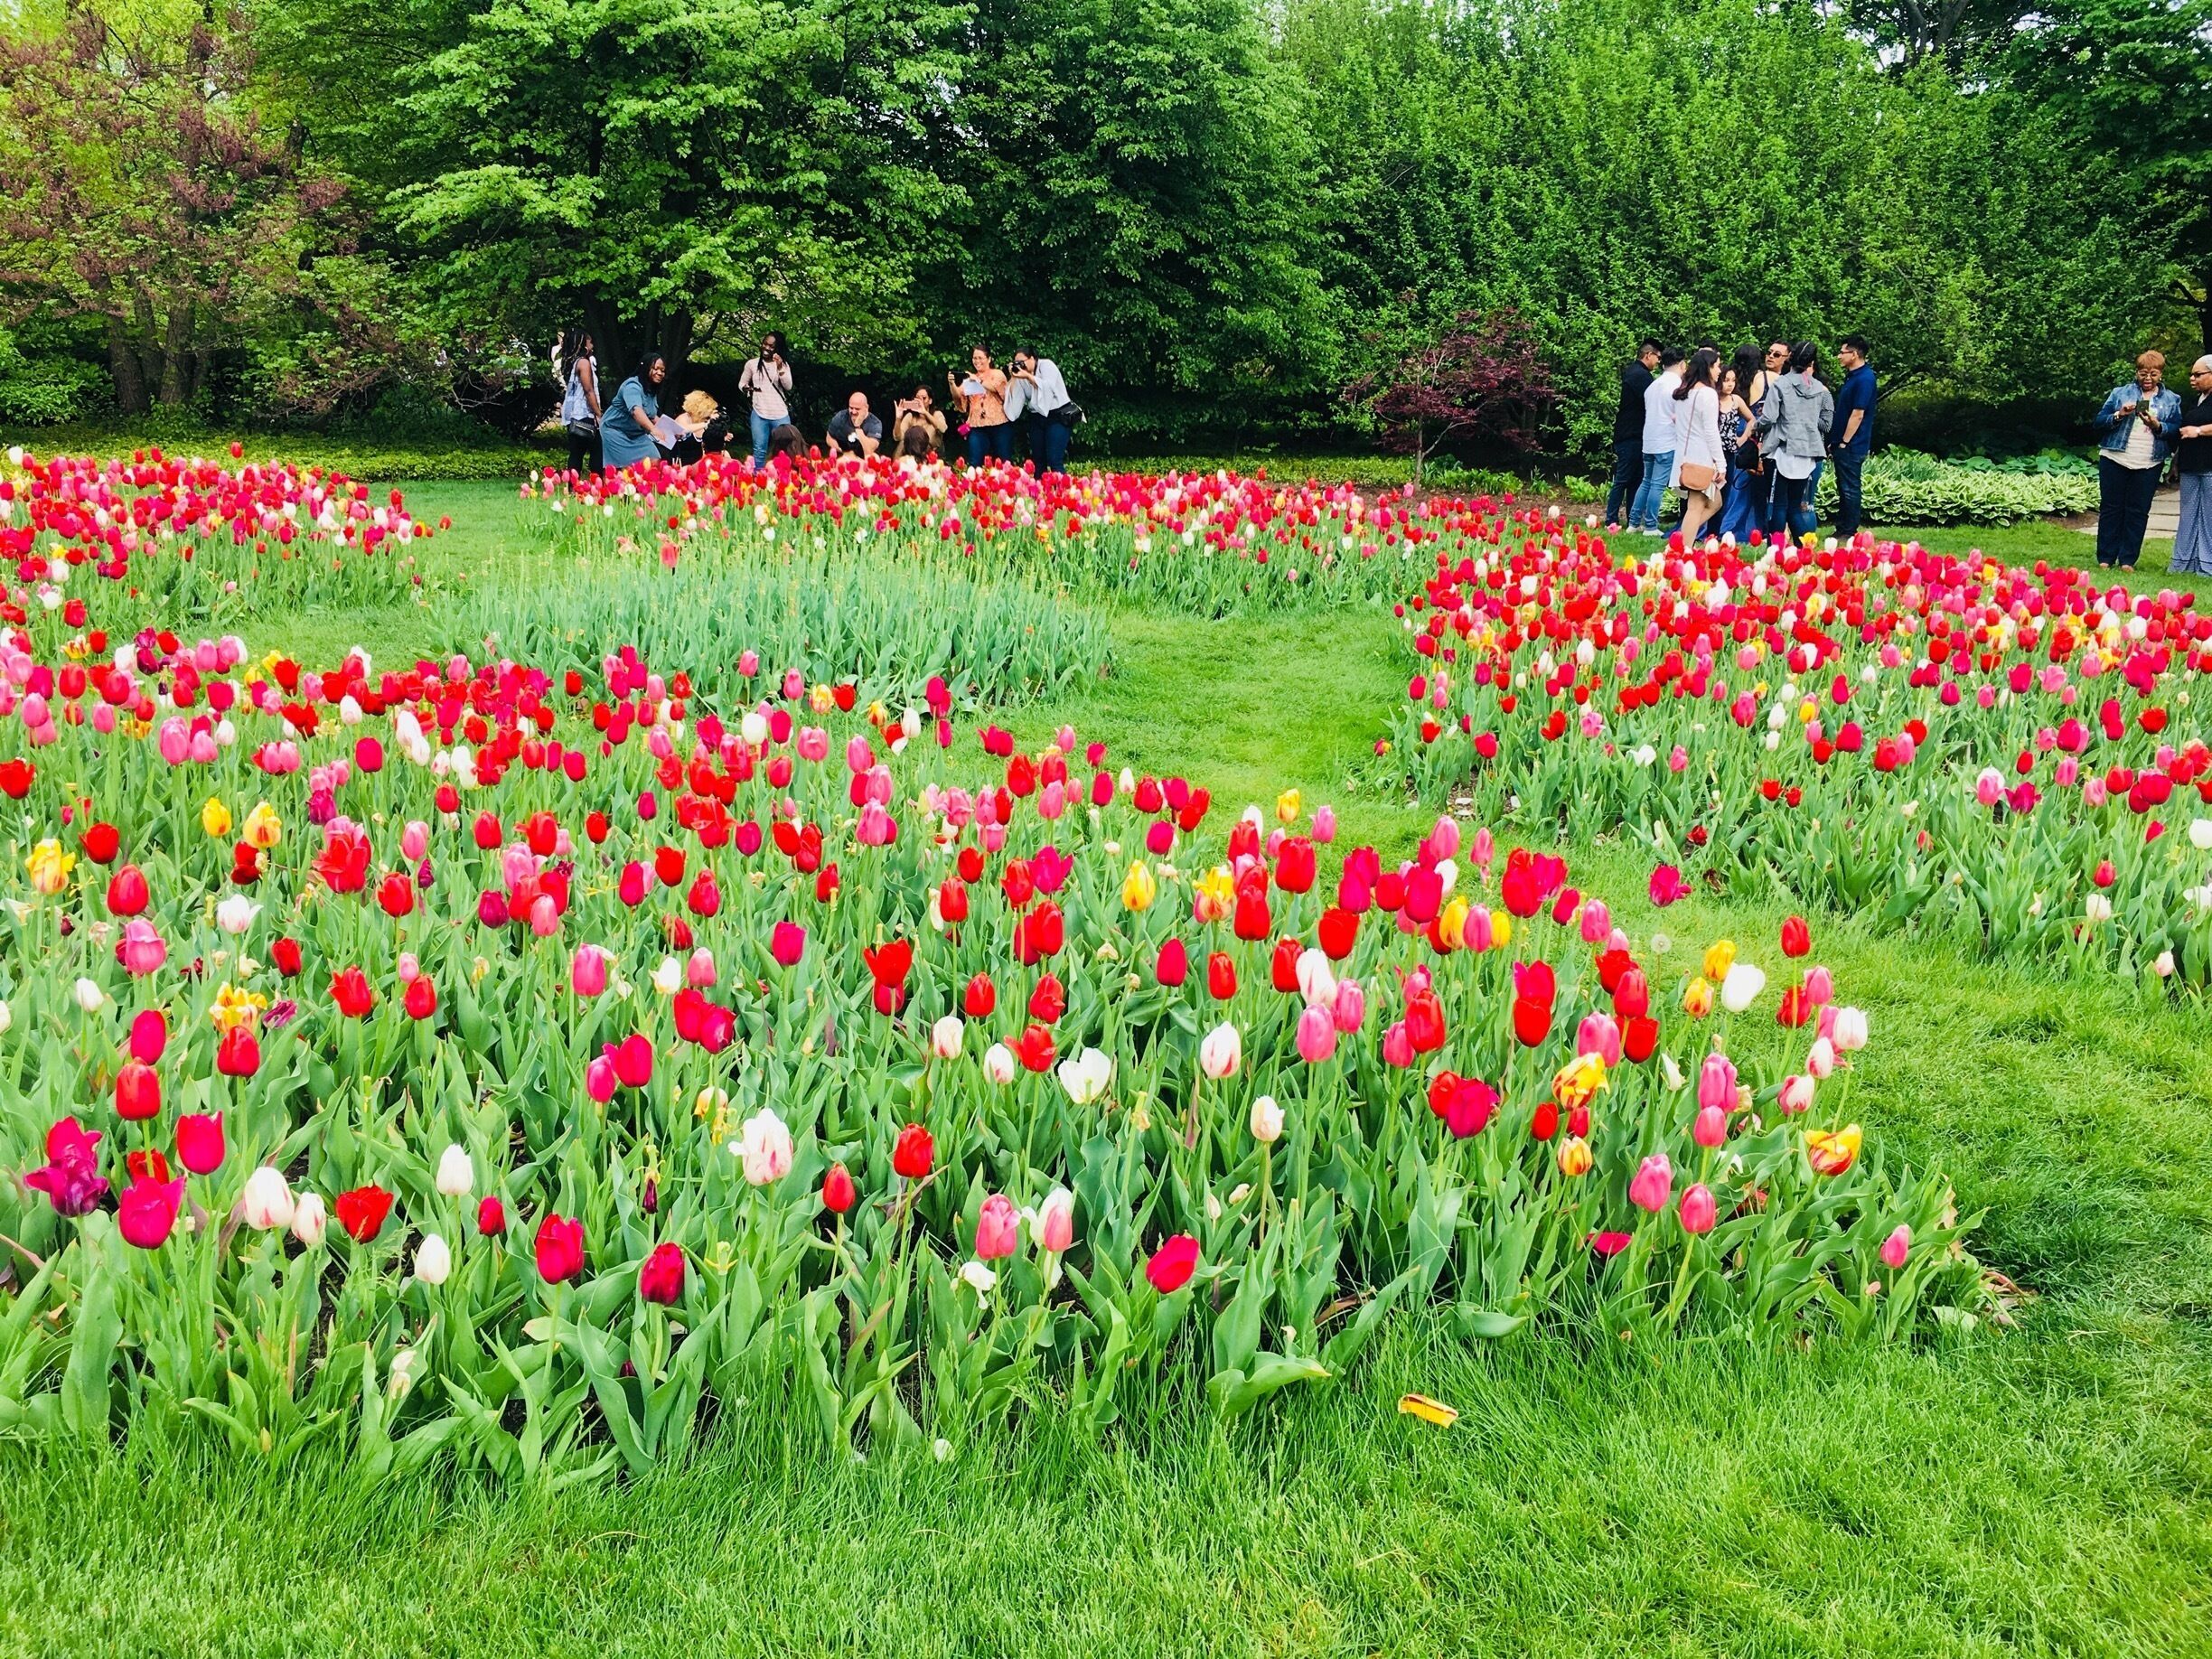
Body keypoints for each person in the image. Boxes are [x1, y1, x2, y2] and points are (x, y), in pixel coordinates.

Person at [2094, 350, 2183, 569]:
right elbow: (2099, 422)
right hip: (2115, 457)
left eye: (2153, 374)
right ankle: (2105, 557)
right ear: (2136, 373)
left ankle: (2127, 560)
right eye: (2143, 373)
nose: (2148, 378)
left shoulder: (2172, 399)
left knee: (2138, 511)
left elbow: (2176, 430)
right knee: (2111, 508)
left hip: (2149, 462)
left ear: (2161, 374)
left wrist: (2157, 425)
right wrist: (2119, 414)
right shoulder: (2120, 393)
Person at [1761, 341, 1832, 538]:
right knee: (1796, 507)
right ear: (1812, 362)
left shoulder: (1780, 384)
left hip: (1783, 449)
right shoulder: (1820, 389)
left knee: (1778, 505)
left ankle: (1776, 549)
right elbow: (1826, 424)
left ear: (1790, 359)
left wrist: (1755, 427)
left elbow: (1769, 417)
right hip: (1807, 451)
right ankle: (1803, 549)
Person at [1672, 348, 1726, 546]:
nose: (1719, 371)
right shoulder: (1708, 394)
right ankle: (1682, 547)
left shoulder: (1684, 393)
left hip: (1684, 455)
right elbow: (1711, 431)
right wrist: (1721, 463)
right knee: (1696, 506)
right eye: (1717, 366)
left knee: (1715, 502)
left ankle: (1680, 540)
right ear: (1708, 367)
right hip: (1700, 457)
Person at [1630, 347, 1685, 534]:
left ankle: (1634, 522)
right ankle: (1651, 525)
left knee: (1646, 481)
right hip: (1667, 441)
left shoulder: (1653, 385)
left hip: (1649, 440)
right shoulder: (1678, 386)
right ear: (1682, 364)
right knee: (1657, 485)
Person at [1607, 339, 1661, 528]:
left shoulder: (1634, 372)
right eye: (1657, 357)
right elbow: (1653, 402)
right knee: (1624, 479)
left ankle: (1631, 518)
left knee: (1634, 480)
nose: (1658, 362)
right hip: (1631, 435)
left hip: (1631, 434)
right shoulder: (1641, 376)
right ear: (1648, 355)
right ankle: (1612, 518)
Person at [1716, 355, 1766, 543]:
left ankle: (1718, 531)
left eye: (1733, 380)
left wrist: (1742, 438)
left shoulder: (1736, 399)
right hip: (1712, 453)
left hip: (1730, 451)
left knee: (1726, 492)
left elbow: (1752, 419)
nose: (1730, 384)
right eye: (1726, 380)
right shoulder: (1711, 398)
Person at [1831, 335, 1877, 539]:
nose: (1839, 356)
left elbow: (1858, 413)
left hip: (1852, 444)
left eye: (1843, 352)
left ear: (1855, 354)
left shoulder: (1865, 378)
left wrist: (1844, 441)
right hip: (1843, 442)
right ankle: (1842, 527)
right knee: (1843, 486)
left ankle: (1849, 530)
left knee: (1850, 487)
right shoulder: (1853, 376)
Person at [2170, 355, 2212, 576]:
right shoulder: (2198, 400)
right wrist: (2176, 462)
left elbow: (2195, 430)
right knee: (2188, 515)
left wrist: (2199, 431)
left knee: (2209, 517)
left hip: (2209, 466)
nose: (2192, 379)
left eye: (2198, 375)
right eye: (2192, 375)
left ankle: (2208, 566)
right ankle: (2182, 563)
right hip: (2191, 466)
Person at [597, 351, 668, 473]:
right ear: (645, 368)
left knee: (654, 459)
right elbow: (636, 411)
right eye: (655, 369)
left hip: (637, 434)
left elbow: (652, 416)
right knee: (625, 469)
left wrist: (672, 431)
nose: (660, 373)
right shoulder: (632, 386)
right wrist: (653, 429)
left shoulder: (651, 390)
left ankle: (645, 484)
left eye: (662, 370)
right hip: (615, 430)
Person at [1010, 346, 1076, 474]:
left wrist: (1028, 376)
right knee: (1039, 460)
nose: (1020, 365)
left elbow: (1048, 388)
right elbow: (1015, 399)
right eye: (1016, 363)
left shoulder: (1046, 365)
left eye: (1022, 362)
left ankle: (1061, 486)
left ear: (1032, 358)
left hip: (1058, 415)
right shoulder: (1021, 375)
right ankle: (1040, 486)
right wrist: (1013, 377)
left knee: (1054, 459)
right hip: (1037, 417)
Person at [737, 333, 794, 468]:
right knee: (759, 450)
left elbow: (788, 386)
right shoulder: (752, 364)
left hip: (780, 415)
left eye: (771, 346)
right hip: (759, 413)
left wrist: (780, 368)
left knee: (784, 450)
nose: (767, 348)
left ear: (778, 348)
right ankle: (758, 477)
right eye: (765, 344)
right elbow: (741, 383)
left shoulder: (783, 365)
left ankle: (782, 476)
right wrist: (746, 388)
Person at [948, 347, 1012, 467]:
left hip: (999, 424)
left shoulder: (997, 373)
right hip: (977, 426)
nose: (977, 361)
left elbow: (997, 389)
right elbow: (959, 397)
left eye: (980, 358)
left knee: (1004, 462)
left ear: (989, 359)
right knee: (975, 462)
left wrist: (978, 380)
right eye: (974, 358)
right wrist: (952, 384)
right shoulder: (970, 378)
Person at [558, 330, 602, 476]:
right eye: (590, 342)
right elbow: (588, 390)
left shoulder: (570, 362)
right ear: (583, 344)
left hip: (572, 414)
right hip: (583, 413)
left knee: (576, 453)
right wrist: (598, 413)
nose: (592, 346)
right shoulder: (583, 363)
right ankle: (597, 483)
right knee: (597, 450)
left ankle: (572, 485)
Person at [669, 389, 737, 465]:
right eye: (710, 410)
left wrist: (721, 435)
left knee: (725, 454)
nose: (711, 413)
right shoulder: (683, 418)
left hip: (699, 463)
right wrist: (706, 424)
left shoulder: (704, 421)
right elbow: (683, 430)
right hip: (681, 463)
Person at [891, 386, 947, 460]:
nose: (920, 401)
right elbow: (898, 437)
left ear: (930, 401)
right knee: (901, 444)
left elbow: (943, 429)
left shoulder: (937, 414)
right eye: (917, 398)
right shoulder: (910, 416)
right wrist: (898, 418)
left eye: (924, 398)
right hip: (912, 452)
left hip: (932, 452)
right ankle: (896, 466)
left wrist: (925, 412)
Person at [826, 391, 884, 458]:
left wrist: (858, 427)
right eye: (851, 408)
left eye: (857, 409)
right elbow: (829, 438)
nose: (853, 412)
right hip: (843, 457)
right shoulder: (840, 417)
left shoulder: (875, 423)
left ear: (866, 408)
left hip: (864, 460)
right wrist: (845, 452)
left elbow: (869, 450)